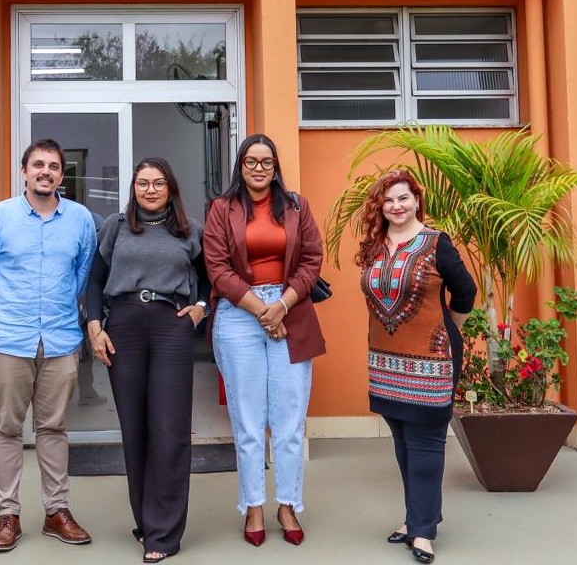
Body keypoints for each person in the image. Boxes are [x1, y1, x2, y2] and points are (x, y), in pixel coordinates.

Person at [0, 138, 98, 554]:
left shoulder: (80, 220)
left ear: (63, 175)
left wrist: (61, 312)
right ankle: (8, 515)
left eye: (54, 166)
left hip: (60, 338)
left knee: (54, 427)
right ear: (24, 172)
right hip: (9, 338)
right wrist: (3, 314)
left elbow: (82, 276)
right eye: (38, 164)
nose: (46, 171)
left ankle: (56, 512)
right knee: (7, 427)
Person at [203, 133, 326, 548]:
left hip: (291, 310)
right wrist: (261, 309)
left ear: (275, 166)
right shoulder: (222, 209)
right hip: (239, 314)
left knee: (290, 422)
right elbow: (217, 268)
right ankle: (253, 505)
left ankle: (287, 503)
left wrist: (283, 306)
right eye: (251, 161)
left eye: (266, 161)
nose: (259, 168)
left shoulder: (296, 206)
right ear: (240, 166)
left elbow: (312, 260)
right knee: (249, 422)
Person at [85, 157, 209, 563]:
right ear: (134, 187)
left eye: (158, 183)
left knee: (170, 429)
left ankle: (165, 532)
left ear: (170, 188)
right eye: (143, 183)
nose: (151, 189)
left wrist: (201, 307)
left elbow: (209, 276)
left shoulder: (190, 231)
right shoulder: (115, 227)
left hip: (170, 325)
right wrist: (94, 326)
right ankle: (146, 521)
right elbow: (96, 280)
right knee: (135, 429)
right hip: (123, 327)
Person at [354, 170, 477, 564]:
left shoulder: (436, 242)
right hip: (385, 361)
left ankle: (423, 532)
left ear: (416, 200)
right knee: (403, 443)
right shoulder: (376, 243)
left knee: (425, 444)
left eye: (403, 198)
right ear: (381, 206)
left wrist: (448, 330)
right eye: (389, 200)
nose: (396, 206)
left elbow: (466, 291)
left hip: (431, 361)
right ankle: (418, 517)